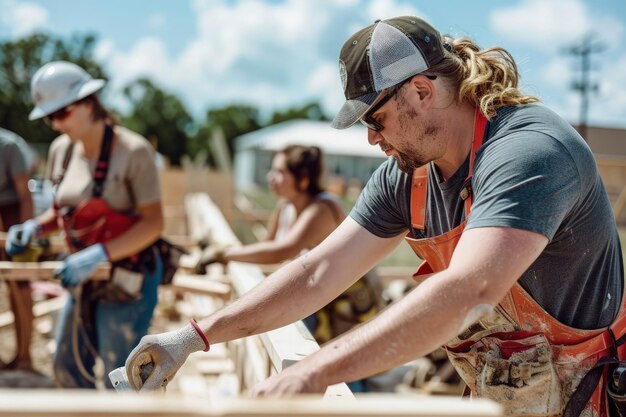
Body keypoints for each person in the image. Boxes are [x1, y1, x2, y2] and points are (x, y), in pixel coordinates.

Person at [124, 16, 624, 416]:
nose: (370, 138)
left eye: (375, 119)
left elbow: (468, 291)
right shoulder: (409, 177)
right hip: (511, 395)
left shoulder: (529, 152)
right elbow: (318, 272)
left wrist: (314, 371)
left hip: (587, 396)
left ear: (422, 92)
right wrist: (195, 335)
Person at [5, 61, 165, 389]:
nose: (54, 124)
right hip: (85, 277)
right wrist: (36, 226)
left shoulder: (133, 152)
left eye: (60, 114)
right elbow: (62, 211)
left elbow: (154, 223)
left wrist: (99, 254)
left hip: (127, 279)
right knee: (66, 367)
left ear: (88, 103)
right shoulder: (61, 151)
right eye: (49, 117)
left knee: (120, 378)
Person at [197, 145, 383, 349]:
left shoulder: (321, 208)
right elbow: (268, 246)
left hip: (347, 305)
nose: (270, 177)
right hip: (321, 295)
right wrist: (228, 251)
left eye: (279, 172)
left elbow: (282, 250)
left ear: (302, 179)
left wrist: (224, 253)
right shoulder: (285, 206)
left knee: (344, 365)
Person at [0, 127, 36, 370]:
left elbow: (25, 196)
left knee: (19, 286)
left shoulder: (9, 147)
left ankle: (24, 356)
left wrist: (21, 242)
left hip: (13, 215)